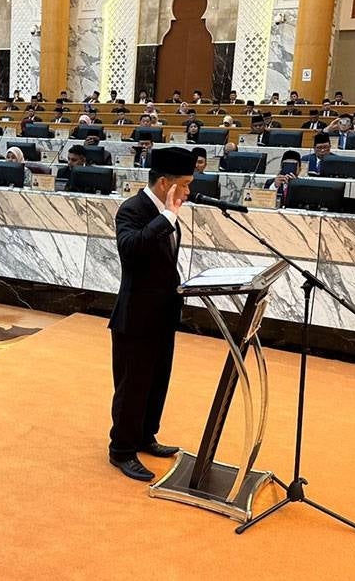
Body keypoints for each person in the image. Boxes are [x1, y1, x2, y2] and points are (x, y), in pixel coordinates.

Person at [108, 146, 196, 481]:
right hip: (135, 316)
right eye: (184, 185)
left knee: (157, 382)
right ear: (164, 183)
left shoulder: (166, 212)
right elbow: (131, 252)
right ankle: (122, 450)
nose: (188, 192)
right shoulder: (133, 210)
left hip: (163, 313)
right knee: (133, 385)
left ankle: (145, 436)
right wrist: (167, 218)